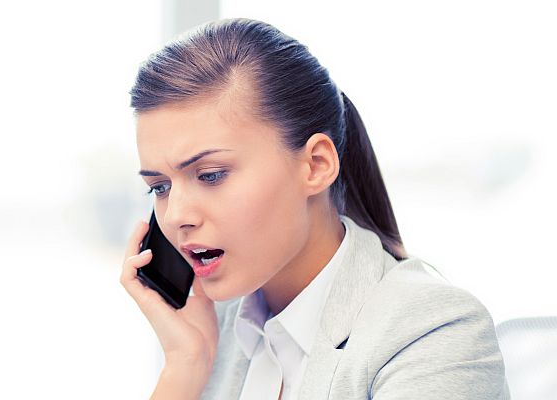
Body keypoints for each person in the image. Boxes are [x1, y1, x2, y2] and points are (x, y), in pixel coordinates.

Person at [119, 18, 510, 400]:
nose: (175, 216)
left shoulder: (432, 332)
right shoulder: (210, 329)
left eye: (211, 175)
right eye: (160, 187)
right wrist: (184, 368)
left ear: (316, 165)